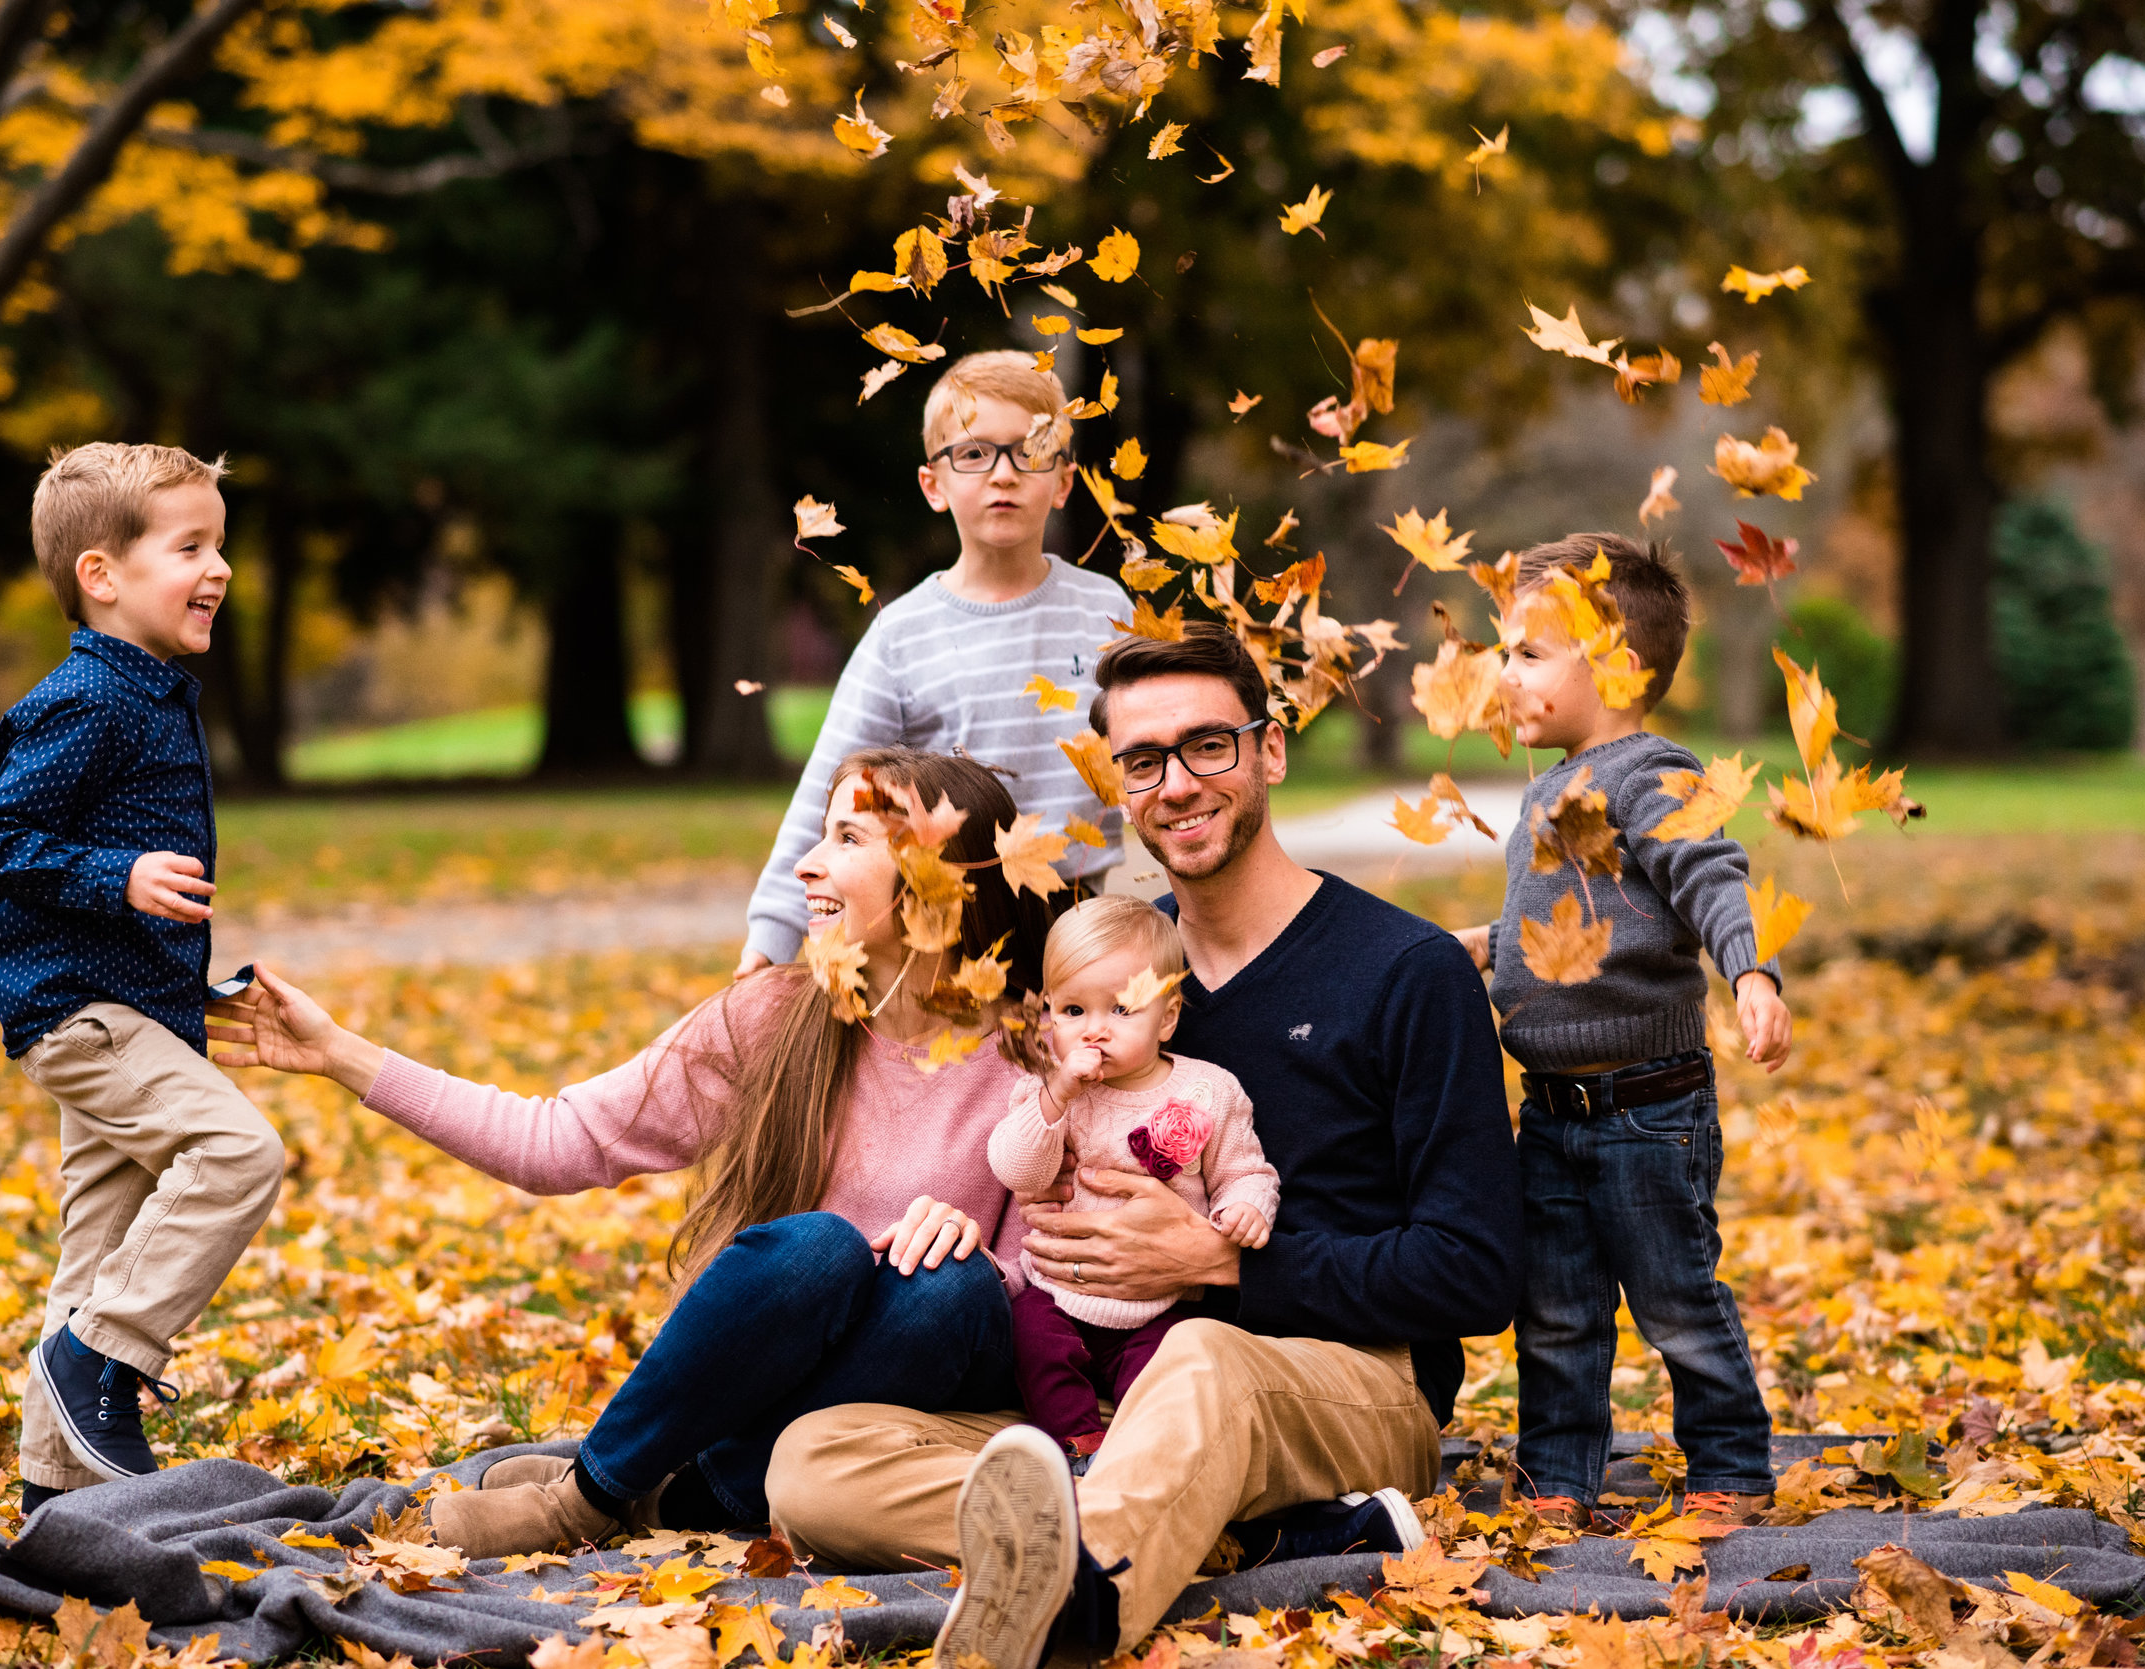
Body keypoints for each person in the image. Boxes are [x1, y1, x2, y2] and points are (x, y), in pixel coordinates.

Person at [762, 625, 1521, 1669]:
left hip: (1335, 1380)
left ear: (1271, 750)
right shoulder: (1098, 976)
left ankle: (1067, 1613)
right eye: (1142, 759)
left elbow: (1478, 1272)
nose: (1176, 783)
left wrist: (1224, 1262)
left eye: (1209, 745)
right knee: (814, 1459)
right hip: (1096, 1387)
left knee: (1207, 1357)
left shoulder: (1405, 970)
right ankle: (1259, 1532)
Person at [208, 748, 1052, 1558]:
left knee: (949, 1289)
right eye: (820, 833)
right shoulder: (773, 1018)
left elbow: (1063, 1278)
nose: (806, 865)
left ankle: (618, 1492)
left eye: (848, 838)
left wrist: (988, 1256)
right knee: (817, 1246)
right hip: (779, 1383)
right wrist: (341, 1055)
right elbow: (556, 1140)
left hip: (933, 1385)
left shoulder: (1037, 1053)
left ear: (941, 883)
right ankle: (631, 1495)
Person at [0, 443, 283, 1516]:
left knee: (98, 1239)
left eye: (221, 544)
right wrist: (120, 874)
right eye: (191, 545)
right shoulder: (87, 701)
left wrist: (197, 982)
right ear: (101, 574)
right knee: (238, 1150)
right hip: (82, 1015)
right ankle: (108, 1356)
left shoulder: (144, 695)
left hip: (131, 1004)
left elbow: (122, 882)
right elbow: (1, 844)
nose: (220, 567)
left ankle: (57, 1491)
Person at [1451, 533, 1789, 1531]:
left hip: (1648, 1108)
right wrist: (1487, 942)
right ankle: (1561, 1476)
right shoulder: (1549, 787)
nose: (1501, 672)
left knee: (1676, 1297)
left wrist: (1752, 971)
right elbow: (1584, 922)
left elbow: (1707, 878)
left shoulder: (1652, 772)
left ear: (1614, 663)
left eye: (1525, 651)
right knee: (1555, 1312)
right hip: (1551, 1110)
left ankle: (1730, 1463)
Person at [738, 351, 1127, 976]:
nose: (1003, 474)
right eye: (973, 454)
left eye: (1029, 450)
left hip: (1077, 929)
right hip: (948, 935)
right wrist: (771, 942)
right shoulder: (903, 634)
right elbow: (823, 798)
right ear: (933, 485)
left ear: (1063, 481)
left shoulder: (1105, 610)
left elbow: (1144, 753)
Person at [989, 896, 1278, 1470]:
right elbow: (1016, 1170)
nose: (1093, 1032)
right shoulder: (1048, 1091)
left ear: (1167, 1016)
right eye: (1073, 1011)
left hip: (1159, 1305)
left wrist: (1247, 1208)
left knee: (1174, 1367)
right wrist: (1057, 1097)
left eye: (1121, 1010)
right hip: (1057, 1296)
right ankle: (1078, 1448)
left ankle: (1143, 1457)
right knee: (1030, 1336)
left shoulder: (1207, 1092)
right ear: (1048, 1015)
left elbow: (1244, 1170)